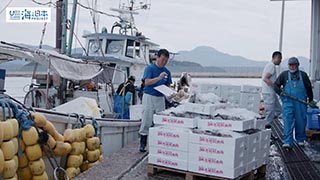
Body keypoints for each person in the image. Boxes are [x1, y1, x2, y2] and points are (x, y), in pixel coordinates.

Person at [274, 57, 314, 148]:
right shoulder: (284, 75)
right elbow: (275, 86)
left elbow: (309, 88)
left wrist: (311, 100)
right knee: (288, 122)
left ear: (298, 65)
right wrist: (280, 92)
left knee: (301, 121)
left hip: (301, 103)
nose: (292, 67)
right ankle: (287, 141)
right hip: (288, 103)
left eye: (294, 65)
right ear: (288, 65)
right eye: (290, 65)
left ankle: (300, 139)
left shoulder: (303, 75)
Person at [139, 49, 172, 152]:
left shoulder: (167, 72)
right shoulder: (150, 68)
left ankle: (158, 144)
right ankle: (143, 143)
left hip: (160, 97)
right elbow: (147, 82)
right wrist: (158, 78)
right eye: (162, 59)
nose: (164, 62)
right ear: (157, 57)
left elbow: (168, 85)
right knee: (146, 120)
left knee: (160, 121)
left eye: (166, 60)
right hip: (149, 96)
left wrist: (170, 94)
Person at [261, 51, 282, 129]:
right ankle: (266, 126)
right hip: (268, 92)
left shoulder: (270, 65)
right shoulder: (271, 66)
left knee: (279, 110)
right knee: (270, 111)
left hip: (271, 92)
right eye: (280, 58)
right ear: (276, 57)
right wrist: (275, 86)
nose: (280, 61)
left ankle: (268, 121)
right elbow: (266, 78)